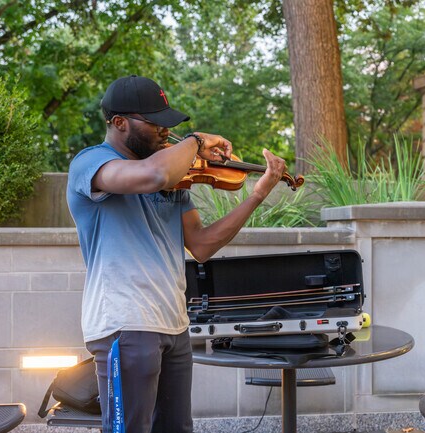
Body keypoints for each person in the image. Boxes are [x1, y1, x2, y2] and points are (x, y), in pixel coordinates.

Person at [66, 75, 286, 433]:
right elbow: (153, 175)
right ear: (120, 123)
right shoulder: (91, 163)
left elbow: (200, 245)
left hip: (174, 324)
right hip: (125, 323)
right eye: (155, 123)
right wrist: (196, 141)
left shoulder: (175, 179)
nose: (165, 131)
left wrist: (256, 195)